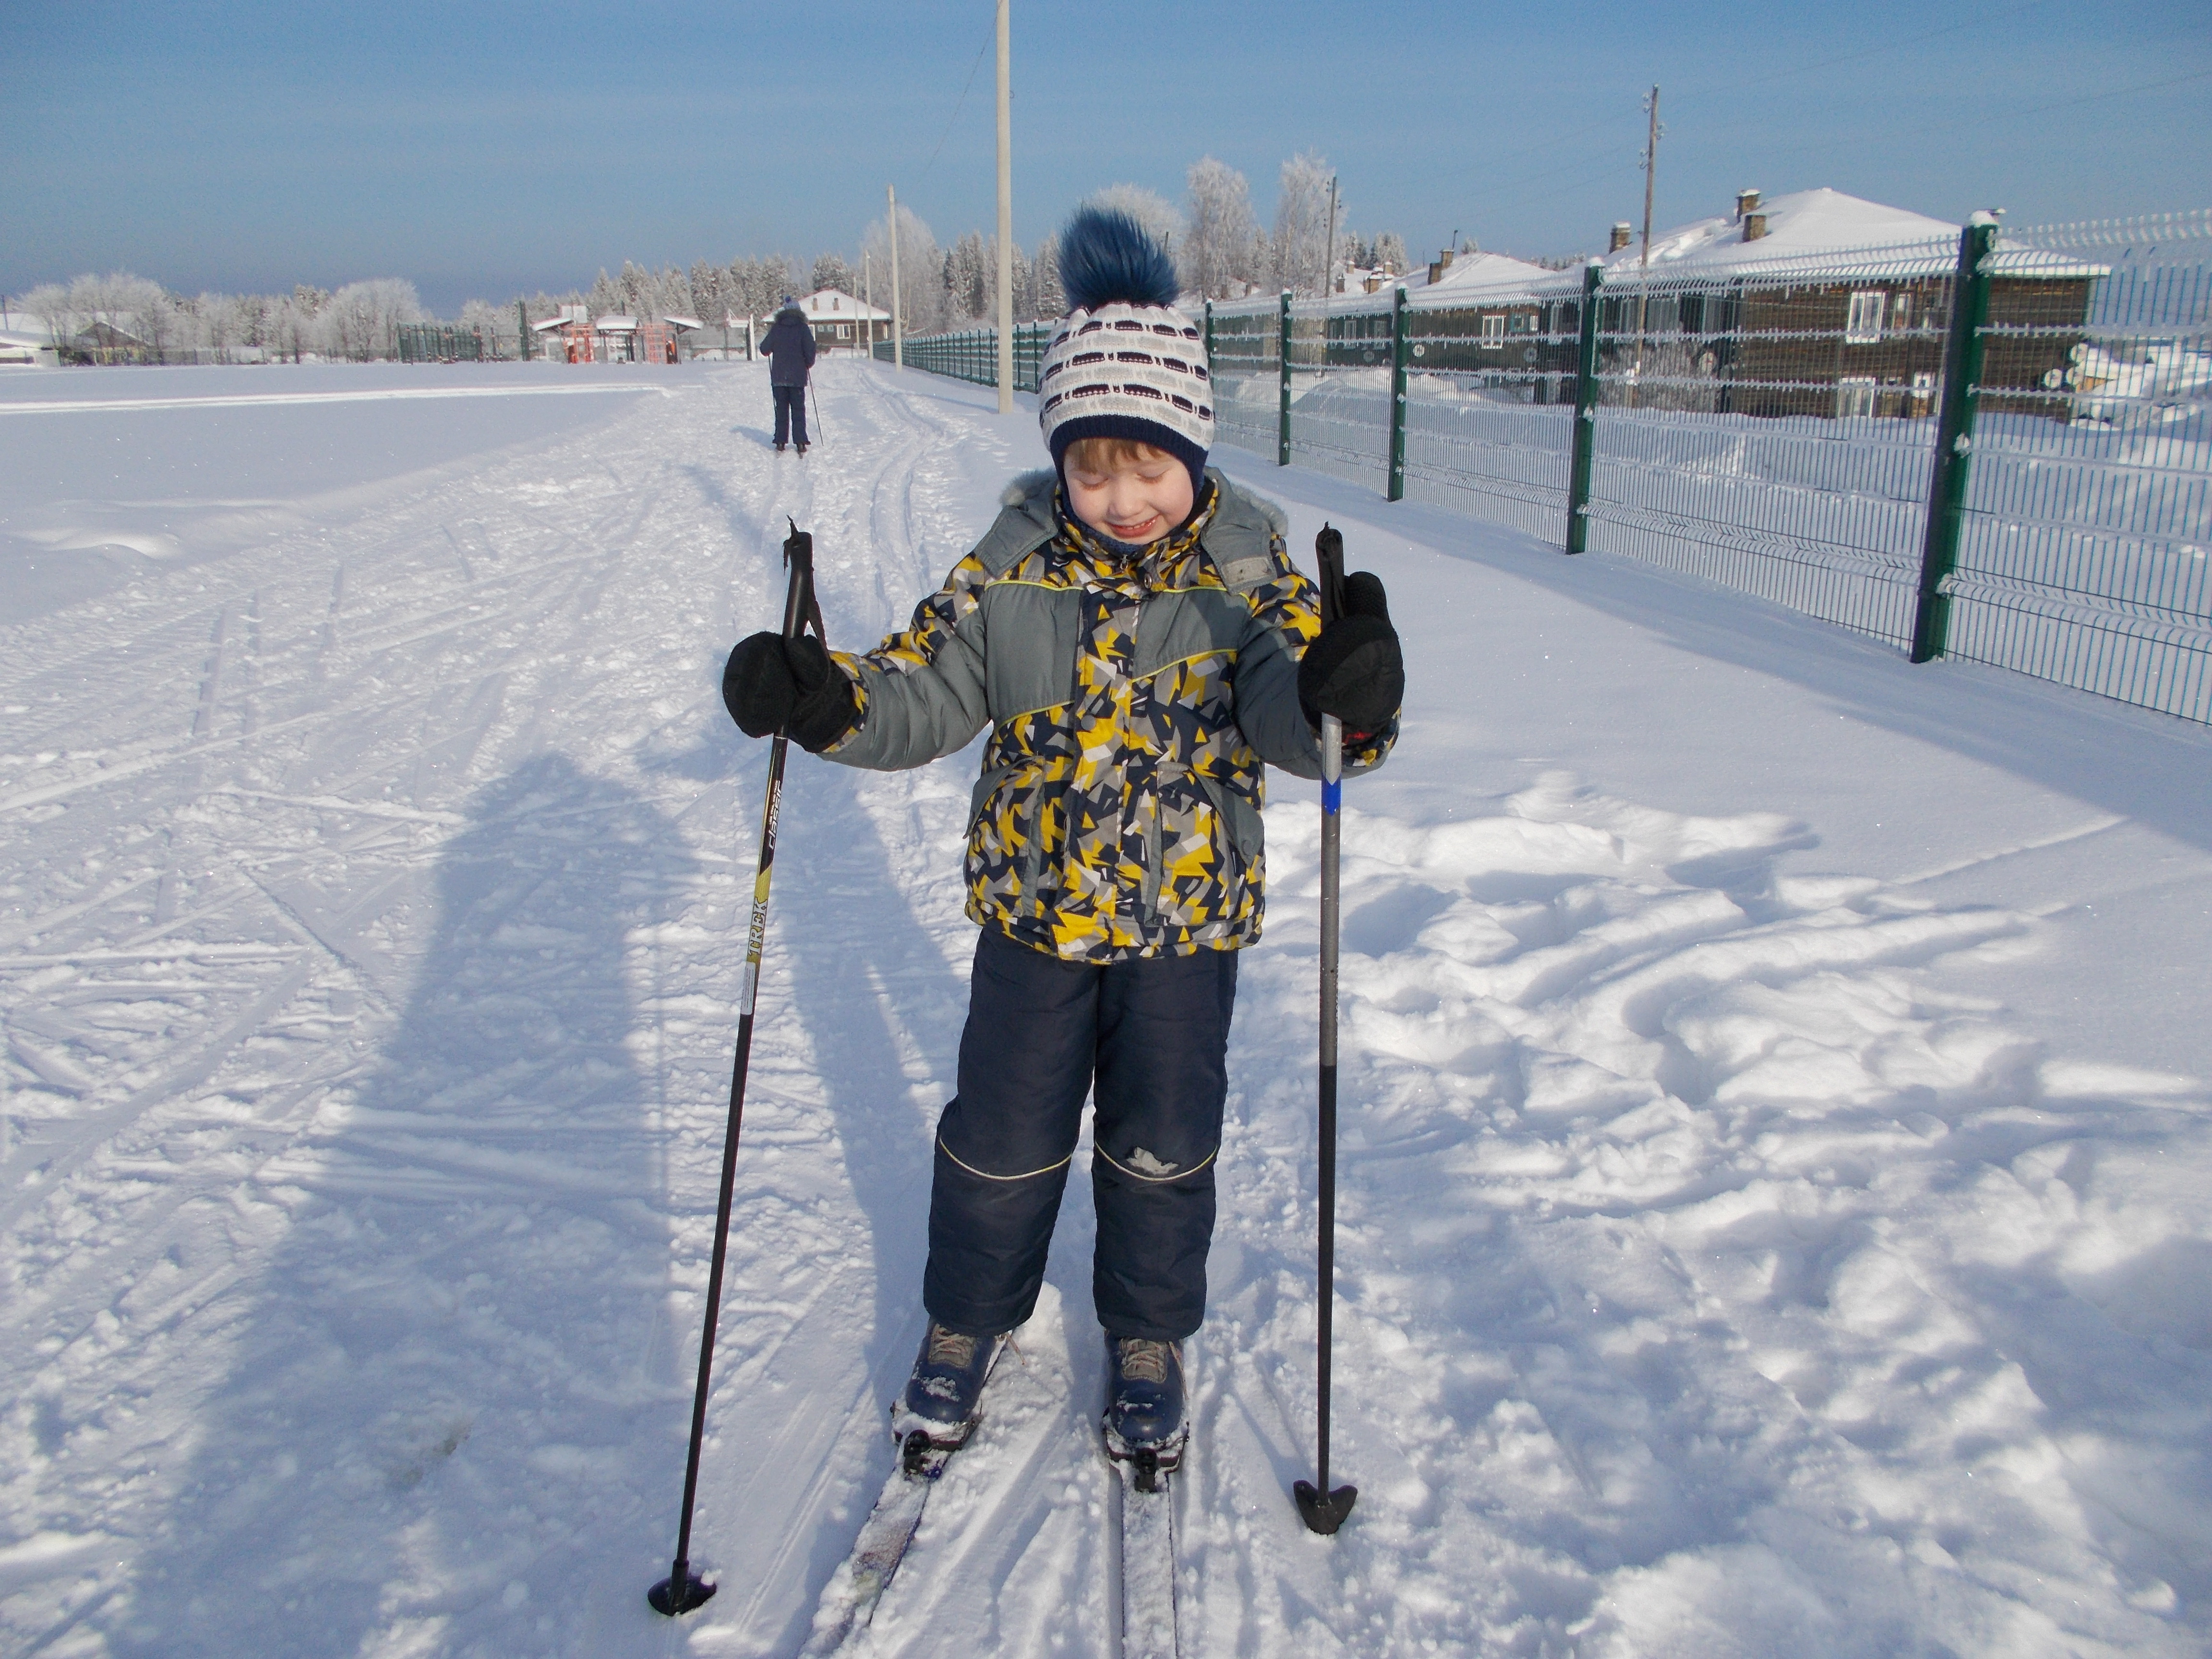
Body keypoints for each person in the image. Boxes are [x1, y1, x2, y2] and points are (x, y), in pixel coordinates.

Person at [720, 208, 1404, 1474]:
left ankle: (1147, 1336)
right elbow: (925, 685)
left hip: (1183, 931)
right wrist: (827, 700)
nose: (1125, 498)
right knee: (1000, 1140)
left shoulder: (1250, 569)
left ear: (1193, 450)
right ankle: (968, 1319)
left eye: (1151, 468)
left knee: (1159, 1148)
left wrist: (1344, 697)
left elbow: (1291, 704)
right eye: (1094, 470)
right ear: (1060, 462)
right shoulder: (1015, 560)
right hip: (1034, 919)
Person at [759, 295, 817, 453]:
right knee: (798, 409)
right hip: (798, 377)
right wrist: (807, 364)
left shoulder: (777, 328)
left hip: (779, 377)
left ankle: (780, 441)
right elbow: (810, 351)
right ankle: (800, 442)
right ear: (799, 312)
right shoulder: (803, 329)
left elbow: (764, 349)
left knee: (781, 409)